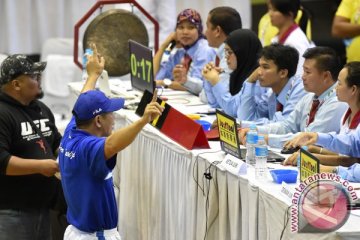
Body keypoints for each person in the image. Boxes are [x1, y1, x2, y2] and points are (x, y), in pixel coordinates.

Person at [58, 46, 163, 239]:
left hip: (77, 232)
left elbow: (83, 102)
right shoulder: (89, 148)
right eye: (110, 113)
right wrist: (142, 121)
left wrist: (93, 76)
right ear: (98, 121)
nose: (114, 118)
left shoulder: (72, 130)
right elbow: (112, 145)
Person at [0, 54, 61, 239]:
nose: (39, 80)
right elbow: (2, 162)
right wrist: (41, 167)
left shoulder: (41, 108)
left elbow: (57, 143)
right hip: (12, 212)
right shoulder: (3, 114)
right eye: (34, 76)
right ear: (16, 84)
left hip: (43, 208)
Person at [239, 46, 348, 148]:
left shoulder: (338, 102)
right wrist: (255, 130)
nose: (302, 77)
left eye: (308, 72)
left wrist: (264, 139)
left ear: (326, 76)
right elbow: (286, 127)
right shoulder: (309, 97)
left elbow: (306, 139)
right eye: (303, 71)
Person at [284, 61, 360, 166]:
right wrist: (315, 149)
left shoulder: (338, 106)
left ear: (353, 89)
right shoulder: (346, 115)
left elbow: (354, 159)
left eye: (340, 83)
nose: (335, 87)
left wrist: (316, 158)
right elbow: (345, 154)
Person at [238, 43, 307, 126]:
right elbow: (246, 118)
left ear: (283, 73)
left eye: (265, 67)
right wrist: (250, 80)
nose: (258, 72)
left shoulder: (300, 90)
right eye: (259, 66)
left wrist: (245, 124)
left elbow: (283, 126)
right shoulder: (271, 93)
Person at [201, 28, 262, 117]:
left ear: (242, 52)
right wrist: (209, 80)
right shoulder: (236, 74)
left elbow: (232, 109)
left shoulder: (257, 80)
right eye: (225, 52)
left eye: (229, 52)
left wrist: (215, 81)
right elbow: (215, 104)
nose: (226, 57)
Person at [155, 8, 215, 95]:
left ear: (199, 30)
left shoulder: (205, 50)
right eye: (181, 27)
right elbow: (155, 77)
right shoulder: (180, 52)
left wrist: (164, 83)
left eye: (191, 27)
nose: (185, 32)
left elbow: (198, 86)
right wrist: (163, 46)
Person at [199, 6, 242, 107]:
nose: (205, 32)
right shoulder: (220, 54)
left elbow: (213, 99)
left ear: (217, 31)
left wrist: (210, 79)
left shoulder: (231, 58)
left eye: (207, 27)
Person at [268, 0, 314, 75]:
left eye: (275, 10)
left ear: (290, 14)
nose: (270, 14)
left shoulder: (296, 42)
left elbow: (299, 76)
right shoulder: (277, 38)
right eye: (270, 9)